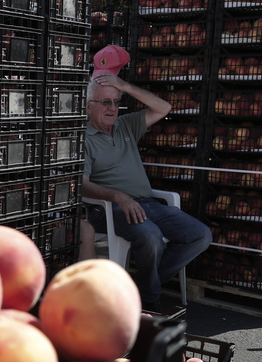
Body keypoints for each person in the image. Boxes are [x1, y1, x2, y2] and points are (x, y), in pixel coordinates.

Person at [79, 45, 211, 311]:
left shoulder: (126, 124)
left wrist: (124, 86)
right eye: (105, 102)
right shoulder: (84, 138)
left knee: (200, 235)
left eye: (116, 102)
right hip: (108, 208)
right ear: (89, 106)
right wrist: (117, 196)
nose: (112, 108)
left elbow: (163, 107)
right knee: (149, 236)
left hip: (147, 203)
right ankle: (148, 300)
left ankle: (141, 288)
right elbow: (81, 185)